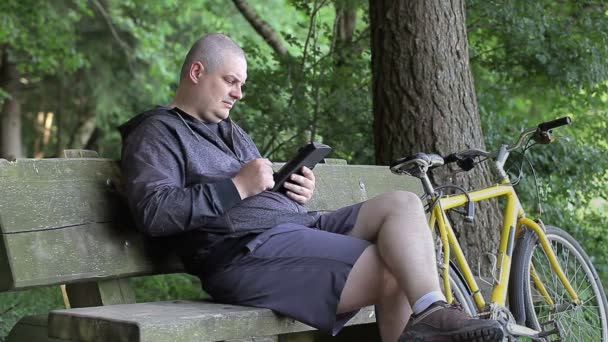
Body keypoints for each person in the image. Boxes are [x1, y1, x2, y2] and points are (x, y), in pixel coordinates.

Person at [119, 33, 504, 342]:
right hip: (243, 254)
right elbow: (153, 213)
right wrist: (237, 186)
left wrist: (290, 189)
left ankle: (431, 311)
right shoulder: (156, 133)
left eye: (242, 84)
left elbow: (258, 192)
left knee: (402, 204)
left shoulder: (230, 132)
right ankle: (431, 318)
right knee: (395, 271)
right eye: (231, 81)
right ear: (197, 72)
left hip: (295, 229)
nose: (238, 93)